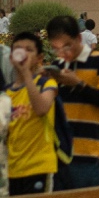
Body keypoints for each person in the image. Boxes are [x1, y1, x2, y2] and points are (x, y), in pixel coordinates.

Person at [46, 14, 99, 189]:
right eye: (56, 48)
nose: (62, 53)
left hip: (90, 154)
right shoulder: (57, 65)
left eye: (67, 46)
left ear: (78, 38)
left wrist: (78, 84)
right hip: (61, 154)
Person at [7, 31, 59, 195]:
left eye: (29, 49)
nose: (22, 53)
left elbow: (42, 109)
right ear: (10, 58)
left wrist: (27, 75)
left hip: (39, 167)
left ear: (39, 58)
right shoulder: (5, 94)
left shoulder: (46, 84)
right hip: (12, 170)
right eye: (18, 49)